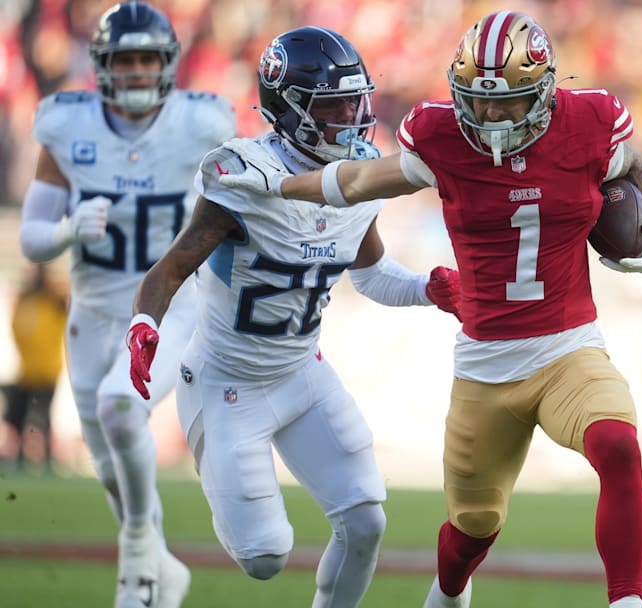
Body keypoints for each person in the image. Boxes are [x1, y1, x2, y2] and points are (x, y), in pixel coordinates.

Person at [217, 11, 642, 608]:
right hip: (485, 367)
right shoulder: (441, 138)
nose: (489, 116)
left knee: (618, 444)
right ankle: (450, 591)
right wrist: (276, 186)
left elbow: (631, 164)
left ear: (543, 90)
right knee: (471, 530)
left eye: (507, 102)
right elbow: (356, 180)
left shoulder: (587, 123)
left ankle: (626, 602)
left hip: (569, 348)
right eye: (478, 102)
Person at [126, 25, 461, 608]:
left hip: (301, 372)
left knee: (366, 522)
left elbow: (372, 274)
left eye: (356, 100)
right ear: (290, 108)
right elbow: (173, 267)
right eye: (334, 105)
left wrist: (430, 289)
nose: (353, 117)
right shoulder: (242, 176)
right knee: (264, 558)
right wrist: (144, 325)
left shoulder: (358, 176)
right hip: (226, 381)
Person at [17, 2, 236, 606]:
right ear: (103, 65)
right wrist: (65, 231)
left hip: (171, 305)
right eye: (125, 59)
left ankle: (138, 556)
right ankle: (163, 572)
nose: (137, 71)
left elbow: (246, 191)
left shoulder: (202, 122)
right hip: (92, 311)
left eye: (147, 58)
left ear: (167, 64)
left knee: (120, 408)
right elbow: (31, 235)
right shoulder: (69, 125)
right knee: (111, 461)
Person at [2, 264, 67, 471]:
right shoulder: (26, 300)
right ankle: (19, 457)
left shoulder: (54, 301)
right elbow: (17, 329)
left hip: (47, 371)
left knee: (43, 418)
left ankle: (46, 459)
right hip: (28, 371)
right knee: (17, 416)